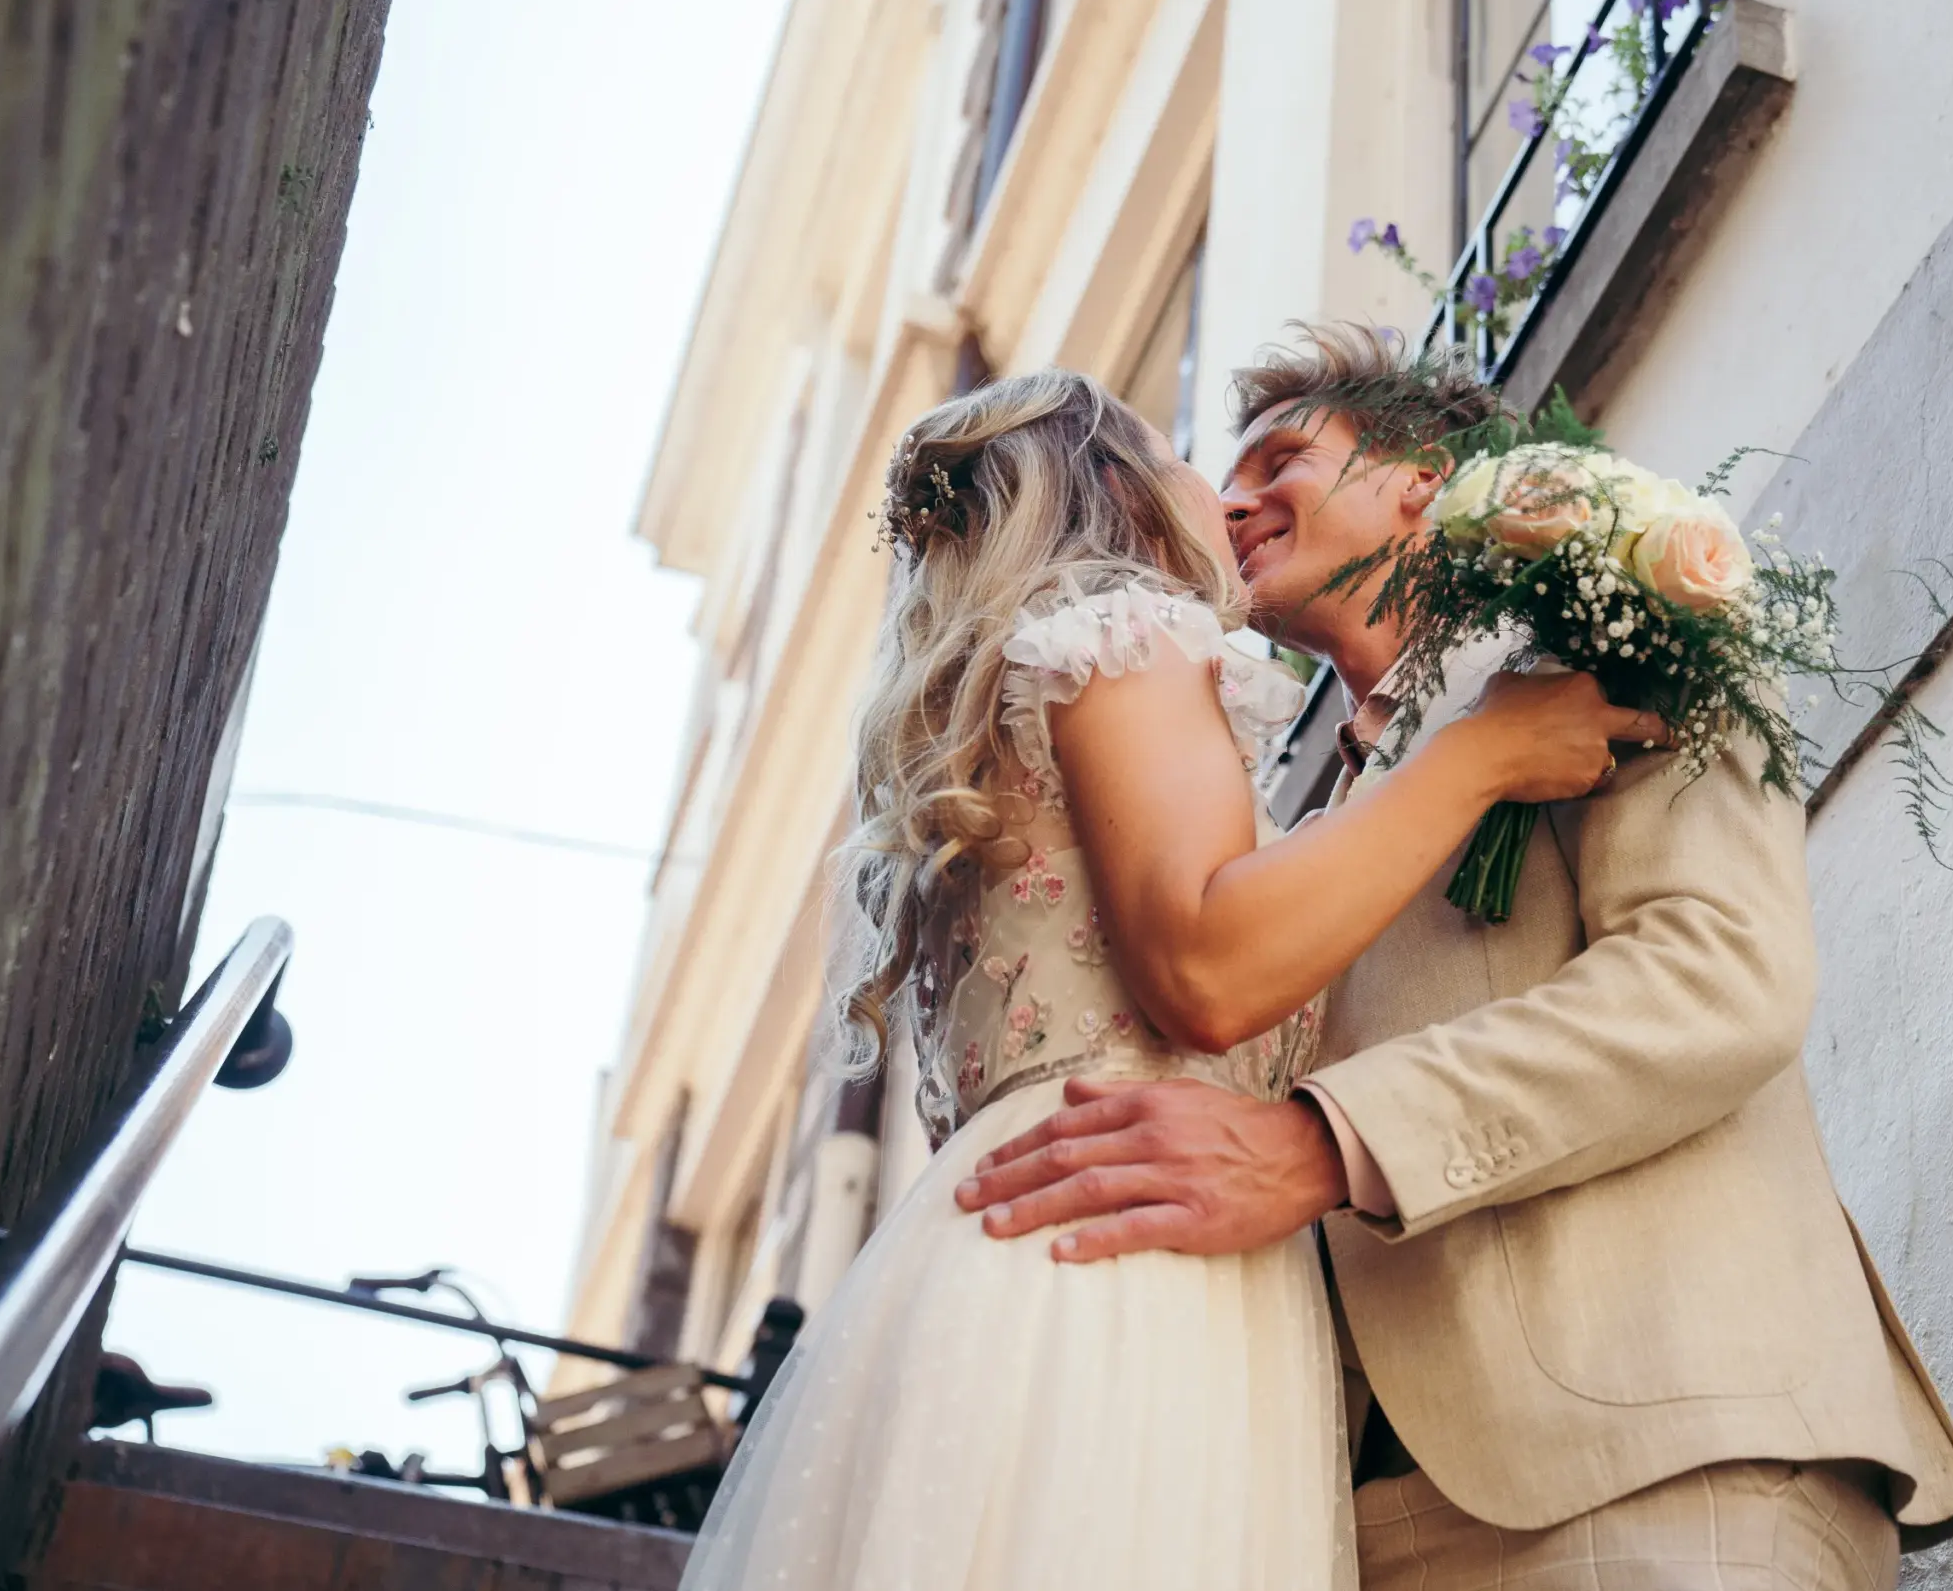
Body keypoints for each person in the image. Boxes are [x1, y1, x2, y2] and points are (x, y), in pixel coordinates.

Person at [959, 325, 1953, 1590]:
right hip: (1338, 1520)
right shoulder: (1287, 835)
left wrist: (1318, 1141)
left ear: (1423, 480)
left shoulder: (1615, 636)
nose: (1231, 501)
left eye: (1282, 457)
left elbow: (1717, 977)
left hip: (1654, 1458)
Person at [677, 368, 1665, 1590]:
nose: (1230, 496)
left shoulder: (997, 719)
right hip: (1125, 1263)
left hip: (997, 1256)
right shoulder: (1121, 636)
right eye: (1201, 458)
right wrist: (1478, 759)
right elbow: (1207, 967)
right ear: (1123, 484)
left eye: (1270, 463)